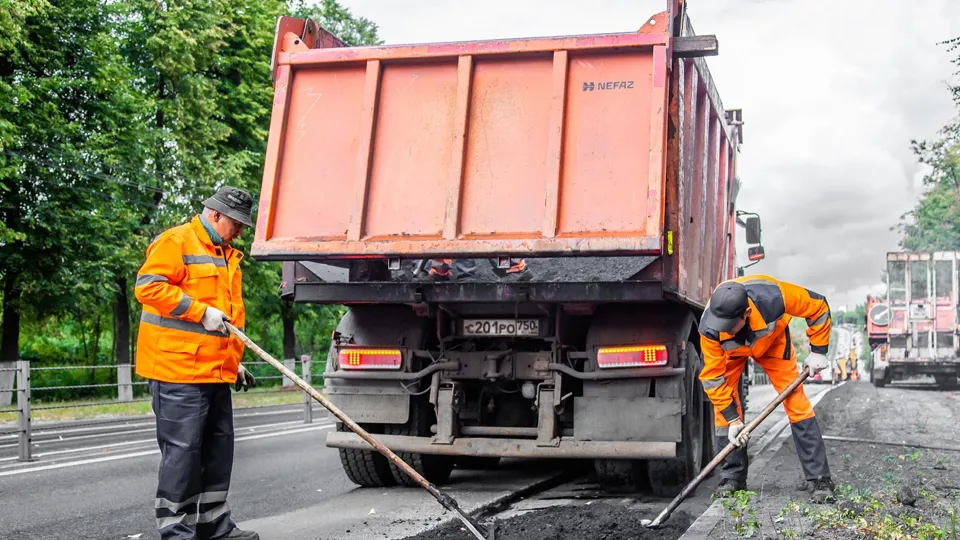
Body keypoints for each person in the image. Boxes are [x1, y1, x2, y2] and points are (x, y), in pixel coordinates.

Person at [134, 186, 259, 540]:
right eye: (236, 223)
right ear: (215, 214)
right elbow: (148, 288)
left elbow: (227, 320)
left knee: (218, 453)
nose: (240, 231)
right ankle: (177, 533)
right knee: (184, 456)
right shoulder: (177, 241)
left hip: (213, 372)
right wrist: (199, 311)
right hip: (176, 373)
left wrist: (233, 362)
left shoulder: (225, 253)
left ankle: (213, 526)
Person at [698, 275, 835, 503]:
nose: (725, 330)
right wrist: (733, 421)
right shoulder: (710, 328)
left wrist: (818, 350)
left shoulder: (774, 296)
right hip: (731, 355)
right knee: (723, 412)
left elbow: (818, 306)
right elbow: (712, 377)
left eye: (730, 325)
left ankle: (819, 479)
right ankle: (732, 477)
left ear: (746, 314)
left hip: (773, 344)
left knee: (797, 403)